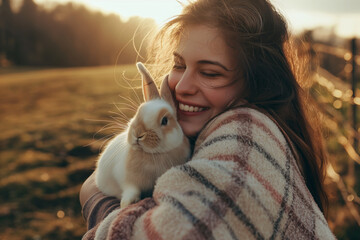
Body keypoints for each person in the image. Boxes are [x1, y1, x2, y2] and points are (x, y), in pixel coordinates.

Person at [80, 0, 336, 239]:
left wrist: (95, 197)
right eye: (179, 65)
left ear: (259, 84)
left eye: (211, 73)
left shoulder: (245, 138)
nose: (181, 87)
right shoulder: (217, 132)